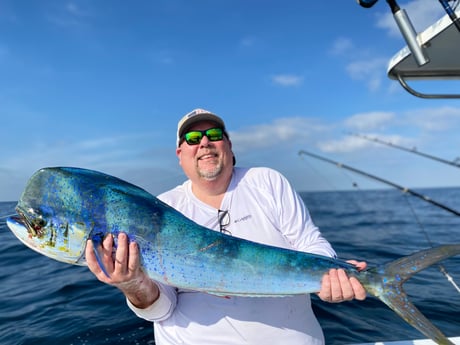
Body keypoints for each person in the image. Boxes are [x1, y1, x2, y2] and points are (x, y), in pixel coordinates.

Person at [86, 108, 367, 345]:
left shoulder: (266, 181)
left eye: (215, 135)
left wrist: (332, 271)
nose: (205, 142)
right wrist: (133, 284)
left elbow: (310, 242)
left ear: (229, 145)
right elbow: (162, 308)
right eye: (193, 138)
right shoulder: (161, 209)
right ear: (180, 153)